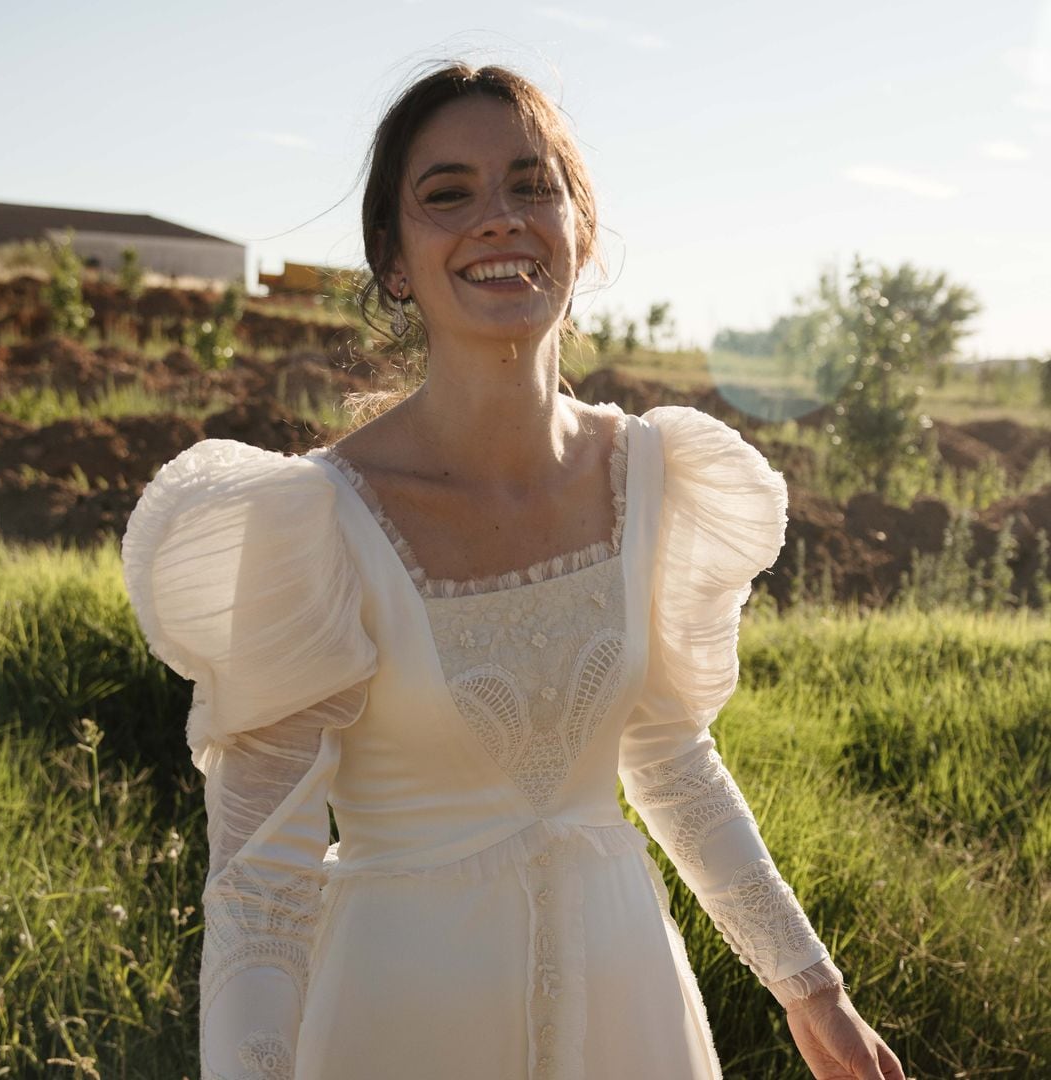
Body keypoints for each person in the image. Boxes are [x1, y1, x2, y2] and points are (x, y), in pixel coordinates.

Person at [120, 62, 906, 1080]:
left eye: (532, 185)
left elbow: (667, 755)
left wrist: (814, 990)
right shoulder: (308, 519)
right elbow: (261, 883)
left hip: (631, 1015)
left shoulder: (657, 473)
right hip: (398, 1025)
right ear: (393, 261)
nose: (497, 218)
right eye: (448, 194)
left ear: (582, 231)